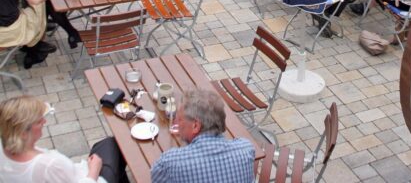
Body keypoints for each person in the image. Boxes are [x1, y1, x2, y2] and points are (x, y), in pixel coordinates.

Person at [0, 95, 128, 183]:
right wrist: (94, 170)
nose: (44, 122)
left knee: (102, 146)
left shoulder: (4, 147)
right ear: (23, 133)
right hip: (89, 179)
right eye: (39, 121)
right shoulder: (48, 164)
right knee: (116, 144)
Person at [151, 88, 254, 183]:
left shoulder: (170, 163)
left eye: (180, 119)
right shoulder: (245, 149)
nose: (175, 122)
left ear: (195, 126)